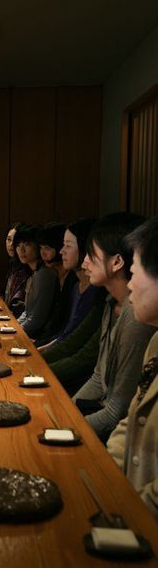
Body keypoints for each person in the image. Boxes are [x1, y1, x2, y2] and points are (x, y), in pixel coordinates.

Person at [73, 212, 155, 442]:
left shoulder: (136, 317)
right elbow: (99, 378)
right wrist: (65, 417)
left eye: (91, 254)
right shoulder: (110, 303)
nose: (84, 262)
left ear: (117, 262)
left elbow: (116, 412)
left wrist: (66, 428)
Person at [107, 217, 158, 519]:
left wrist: (127, 514)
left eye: (135, 272)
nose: (129, 284)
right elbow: (129, 421)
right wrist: (104, 482)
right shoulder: (155, 342)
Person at [38, 218, 98, 352]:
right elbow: (64, 333)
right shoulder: (75, 286)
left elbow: (74, 342)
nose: (61, 251)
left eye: (68, 245)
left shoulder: (95, 292)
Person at [36, 222, 77, 344]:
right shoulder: (52, 276)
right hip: (48, 339)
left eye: (47, 248)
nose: (43, 253)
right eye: (41, 248)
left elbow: (66, 329)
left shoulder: (72, 280)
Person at [15, 224, 57, 338]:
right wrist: (13, 326)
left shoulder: (44, 274)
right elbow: (27, 313)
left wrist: (15, 332)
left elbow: (37, 319)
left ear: (37, 246)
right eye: (18, 245)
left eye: (27, 244)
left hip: (39, 336)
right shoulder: (35, 272)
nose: (21, 250)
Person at [3, 222, 31, 317]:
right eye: (8, 239)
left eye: (15, 241)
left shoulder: (27, 268)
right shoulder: (14, 265)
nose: (11, 244)